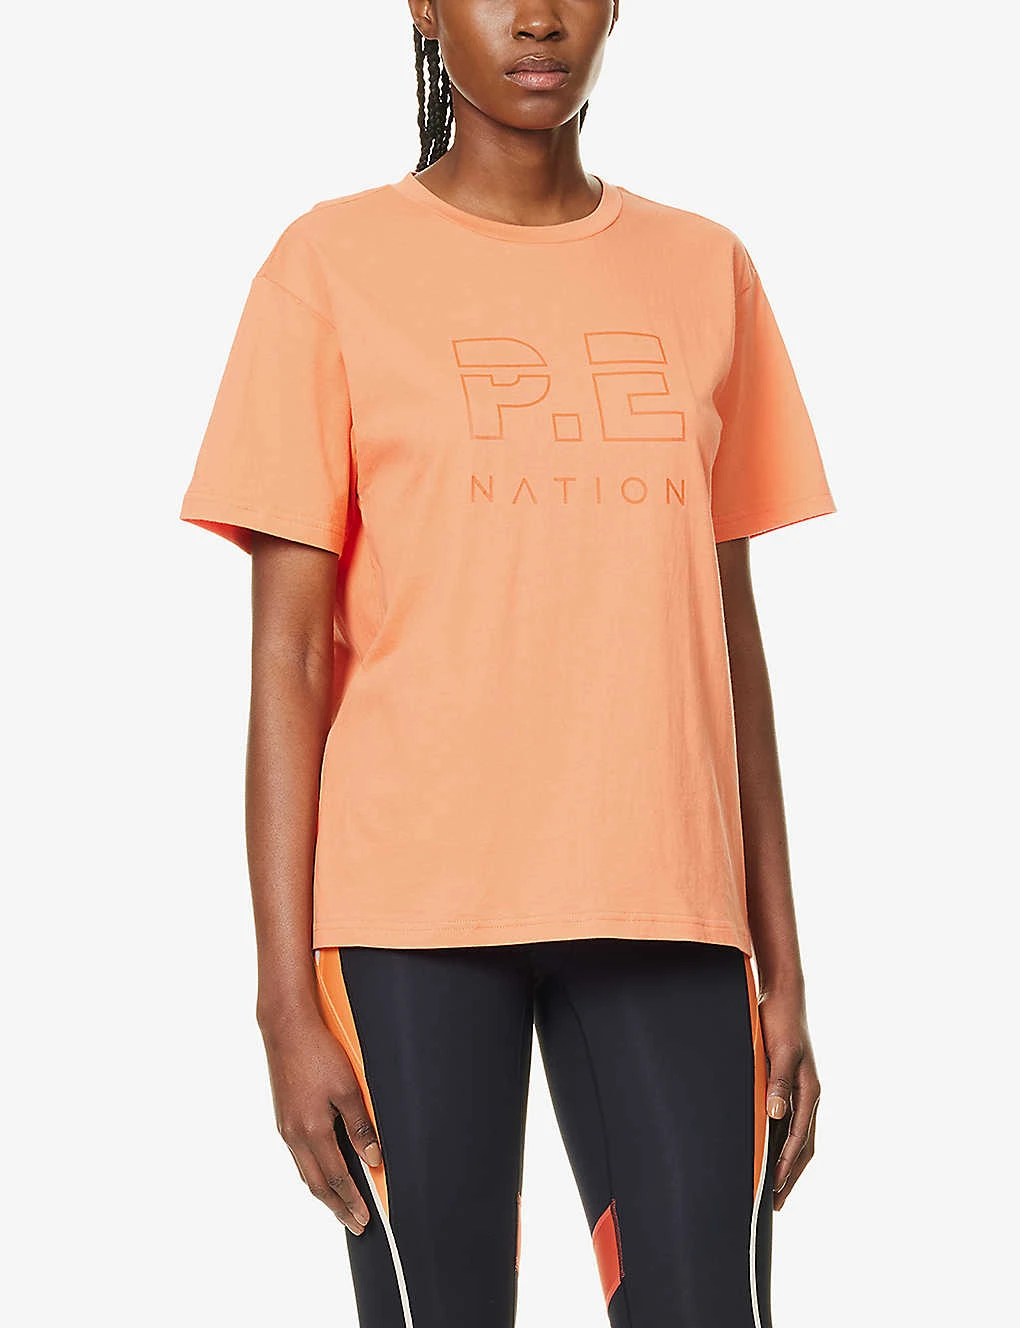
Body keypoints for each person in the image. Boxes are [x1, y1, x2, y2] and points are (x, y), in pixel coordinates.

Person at [178, 3, 835, 1324]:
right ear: (424, 7)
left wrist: (783, 967)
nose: (537, 17)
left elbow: (729, 643)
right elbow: (288, 657)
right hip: (407, 919)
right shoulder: (328, 267)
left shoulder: (704, 267)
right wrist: (281, 1001)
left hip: (667, 902)